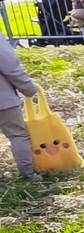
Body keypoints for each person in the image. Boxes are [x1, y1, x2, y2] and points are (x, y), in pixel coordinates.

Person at [0, 25, 37, 179]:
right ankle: (28, 174)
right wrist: (28, 88)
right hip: (3, 98)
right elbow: (10, 65)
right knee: (17, 134)